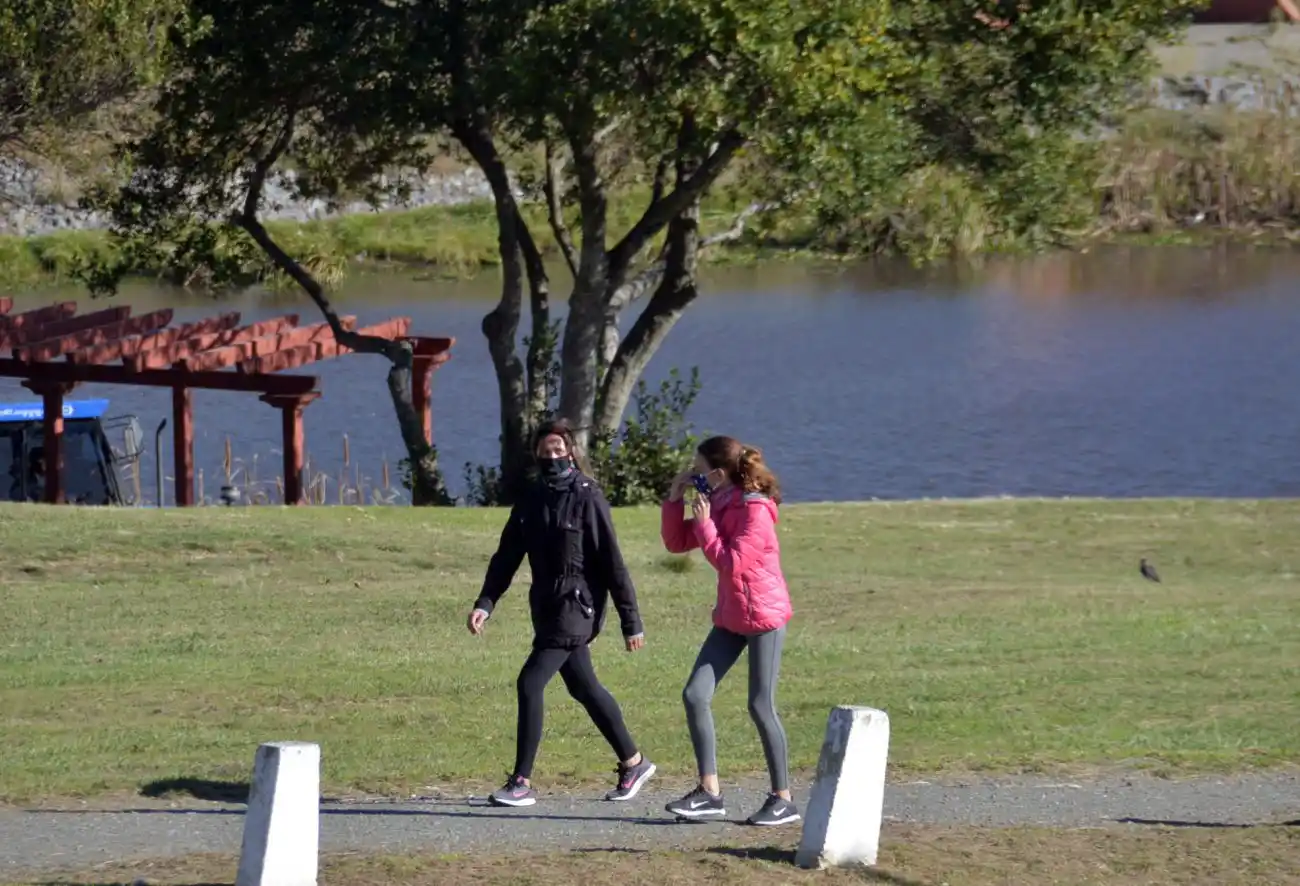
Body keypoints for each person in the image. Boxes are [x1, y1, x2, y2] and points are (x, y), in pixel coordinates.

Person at [469, 418, 656, 808]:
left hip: (577, 606)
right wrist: (486, 602)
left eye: (558, 449)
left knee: (530, 683)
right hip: (546, 605)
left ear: (571, 452)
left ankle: (521, 782)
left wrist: (631, 621)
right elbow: (506, 556)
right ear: (537, 454)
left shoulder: (588, 496)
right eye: (545, 450)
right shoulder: (531, 498)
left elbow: (613, 563)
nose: (552, 456)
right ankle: (634, 762)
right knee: (583, 687)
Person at [660, 435, 799, 827]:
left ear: (718, 474)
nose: (694, 474)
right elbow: (676, 542)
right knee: (695, 694)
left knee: (760, 705)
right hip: (731, 616)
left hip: (764, 616)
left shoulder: (756, 510)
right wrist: (675, 499)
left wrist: (705, 523)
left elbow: (732, 563)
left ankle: (783, 799)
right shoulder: (719, 501)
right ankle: (710, 793)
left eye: (699, 470)